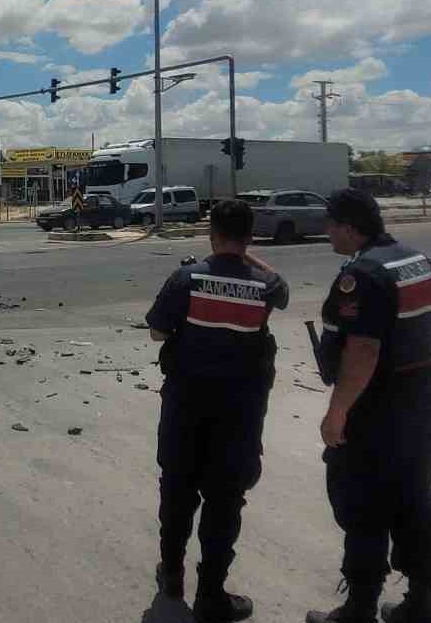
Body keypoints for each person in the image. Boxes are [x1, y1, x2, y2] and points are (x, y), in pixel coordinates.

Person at [307, 189, 431, 623]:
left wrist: (338, 412)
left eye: (330, 224)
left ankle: (359, 609)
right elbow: (425, 326)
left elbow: (364, 349)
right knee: (415, 502)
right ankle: (421, 605)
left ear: (350, 227)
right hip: (424, 401)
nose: (327, 232)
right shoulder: (419, 261)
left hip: (377, 410)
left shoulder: (362, 275)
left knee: (364, 506)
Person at [145, 199, 288, 622]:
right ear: (250, 238)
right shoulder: (264, 287)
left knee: (177, 491)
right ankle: (211, 595)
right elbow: (281, 287)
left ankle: (172, 575)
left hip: (186, 407)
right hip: (239, 413)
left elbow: (156, 332)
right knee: (225, 501)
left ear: (211, 233)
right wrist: (246, 257)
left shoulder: (186, 279)